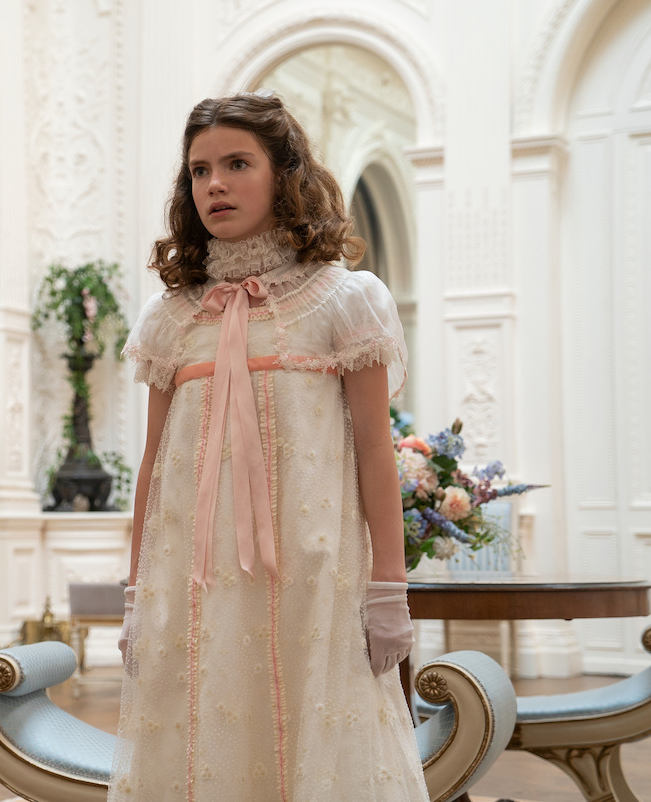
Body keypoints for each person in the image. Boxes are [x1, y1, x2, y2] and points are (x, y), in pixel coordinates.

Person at [110, 93, 428, 800]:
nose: (213, 184)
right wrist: (136, 596)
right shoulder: (171, 318)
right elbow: (155, 466)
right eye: (198, 171)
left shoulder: (346, 301)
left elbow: (377, 454)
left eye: (235, 164)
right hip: (195, 582)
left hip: (315, 575)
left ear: (284, 176)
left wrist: (388, 591)